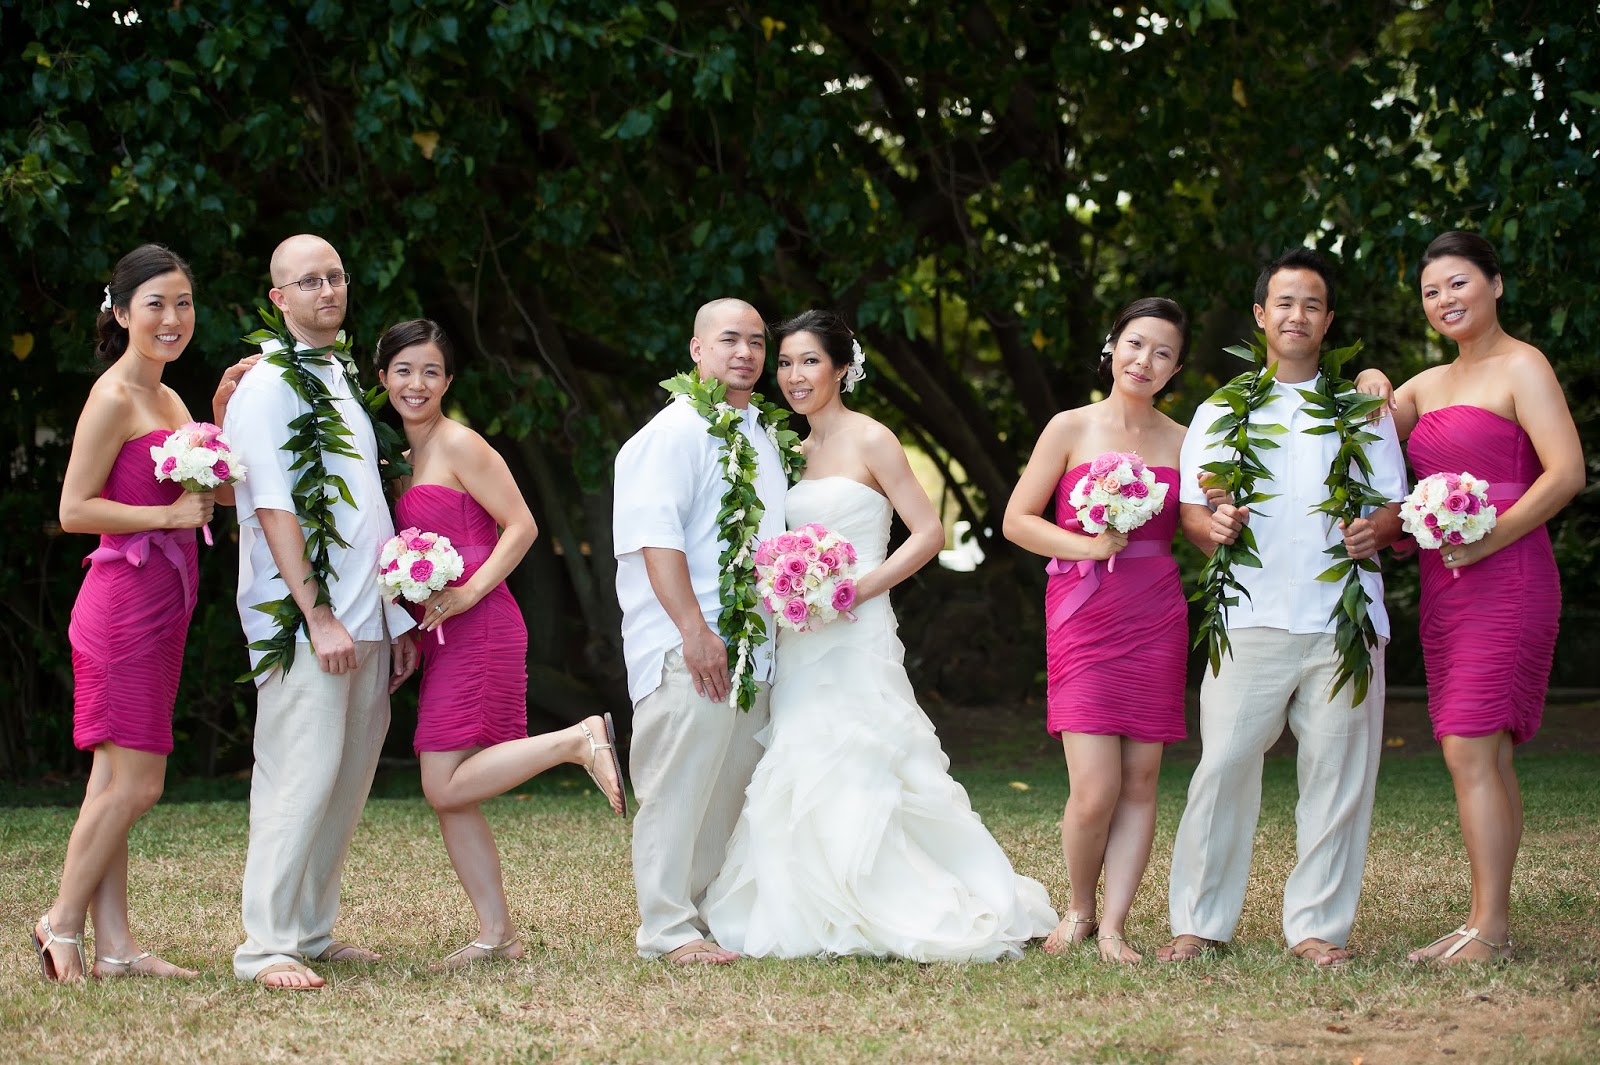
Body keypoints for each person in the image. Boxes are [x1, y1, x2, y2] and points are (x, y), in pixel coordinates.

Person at [702, 310, 1058, 961]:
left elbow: (928, 532)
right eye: (784, 363)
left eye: (808, 360)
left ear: (841, 366)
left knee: (867, 753)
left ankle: (885, 892)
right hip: (800, 631)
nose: (793, 375)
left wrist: (858, 587)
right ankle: (808, 898)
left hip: (857, 627)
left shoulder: (873, 439)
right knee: (800, 750)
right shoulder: (788, 448)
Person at [1162, 249, 1407, 967]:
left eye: (1312, 304)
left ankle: (1317, 927)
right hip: (1249, 616)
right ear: (1262, 316)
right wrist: (1214, 528)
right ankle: (1199, 921)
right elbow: (1192, 514)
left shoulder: (1361, 410)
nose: (1296, 315)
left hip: (1344, 621)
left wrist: (1378, 529)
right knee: (1224, 766)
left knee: (1337, 776)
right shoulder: (1221, 409)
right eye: (1284, 303)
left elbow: (1394, 504)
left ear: (1327, 321)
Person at [374, 319, 625, 967]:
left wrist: (467, 592)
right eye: (404, 370)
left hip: (480, 623)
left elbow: (522, 526)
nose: (417, 383)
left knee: (441, 783)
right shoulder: (398, 464)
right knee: (450, 791)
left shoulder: (461, 444)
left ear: (448, 381)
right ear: (382, 378)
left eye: (431, 371)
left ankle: (577, 739)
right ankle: (497, 936)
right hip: (439, 632)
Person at [30, 245, 251, 982]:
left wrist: (219, 415)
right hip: (121, 605)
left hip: (163, 607)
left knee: (111, 782)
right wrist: (166, 518)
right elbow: (73, 508)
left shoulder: (173, 399)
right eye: (156, 303)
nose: (172, 317)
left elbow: (216, 497)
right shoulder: (116, 395)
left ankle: (118, 948)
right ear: (121, 312)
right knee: (138, 783)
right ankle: (59, 924)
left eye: (183, 302)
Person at [1370, 232, 1581, 963]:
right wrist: (1371, 379)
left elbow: (1566, 473)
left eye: (1458, 283)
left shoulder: (1525, 365)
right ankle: (1489, 921)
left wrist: (1491, 538)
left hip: (1510, 572)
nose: (1445, 300)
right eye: (1431, 292)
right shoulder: (1423, 387)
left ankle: (1486, 928)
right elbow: (1364, 453)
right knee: (1482, 751)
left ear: (1496, 282)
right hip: (1445, 583)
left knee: (1469, 744)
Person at [224, 235, 419, 990]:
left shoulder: (338, 375)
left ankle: (311, 927)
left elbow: (366, 508)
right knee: (297, 772)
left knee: (345, 779)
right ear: (278, 298)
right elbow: (274, 507)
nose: (327, 290)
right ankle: (265, 943)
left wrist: (392, 620)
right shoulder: (269, 385)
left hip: (368, 614)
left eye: (335, 275)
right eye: (309, 281)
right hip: (308, 620)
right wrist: (319, 615)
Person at [1001, 297, 1190, 963]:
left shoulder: (1183, 438)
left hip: (1156, 609)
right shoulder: (1069, 426)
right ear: (1112, 346)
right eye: (1136, 344)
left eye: (1162, 352)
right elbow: (1017, 520)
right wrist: (1088, 544)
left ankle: (1113, 924)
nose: (1145, 360)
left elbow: (1197, 524)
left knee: (1141, 779)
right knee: (1095, 788)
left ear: (1174, 368)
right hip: (1082, 608)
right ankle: (1078, 905)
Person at [613, 298, 790, 965]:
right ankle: (664, 928)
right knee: (678, 784)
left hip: (752, 646)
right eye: (728, 340)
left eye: (755, 341)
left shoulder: (757, 431)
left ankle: (703, 917)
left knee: (726, 789)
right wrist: (694, 629)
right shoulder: (675, 431)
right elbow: (655, 539)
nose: (744, 352)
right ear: (696, 349)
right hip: (691, 645)